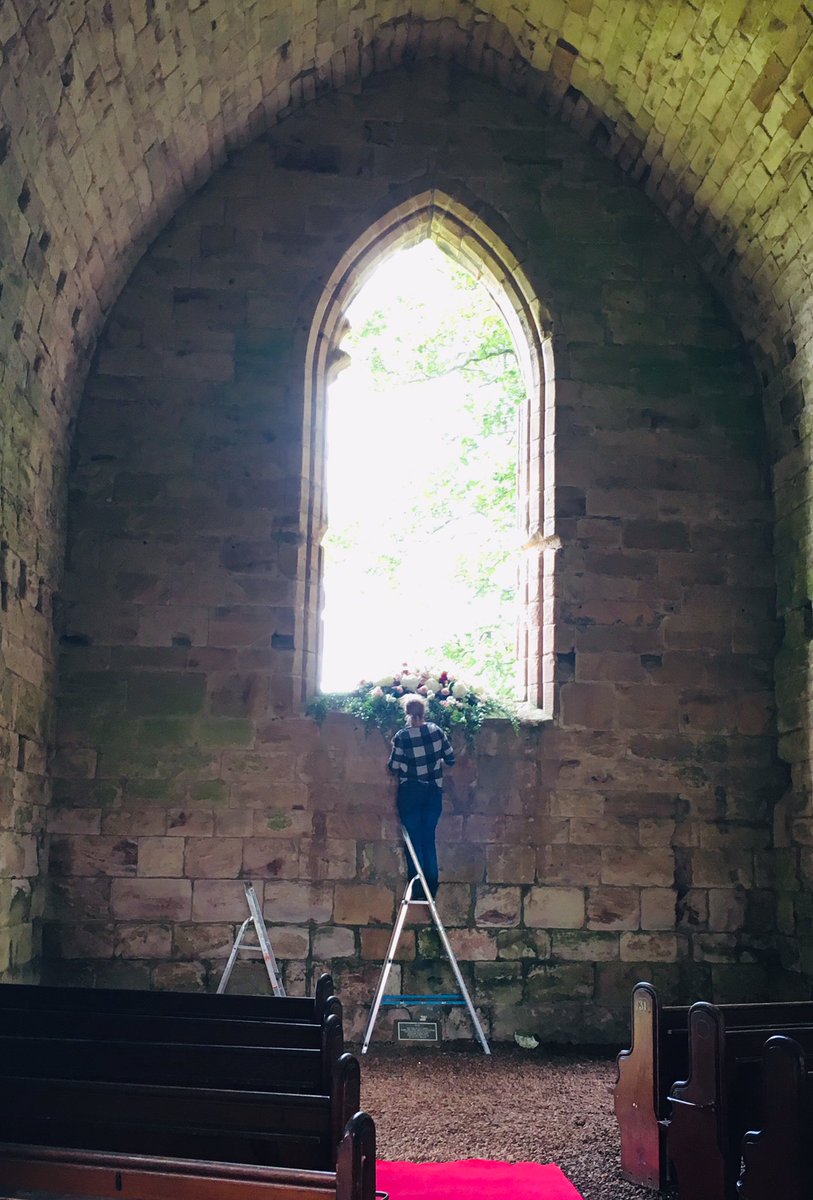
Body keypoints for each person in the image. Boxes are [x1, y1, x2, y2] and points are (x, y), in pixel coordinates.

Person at [387, 694, 455, 900]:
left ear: (407, 713)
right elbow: (450, 758)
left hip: (410, 792)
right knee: (429, 838)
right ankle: (431, 889)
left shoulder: (402, 736)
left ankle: (417, 889)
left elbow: (394, 766)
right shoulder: (436, 732)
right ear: (424, 712)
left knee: (414, 840)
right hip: (433, 791)